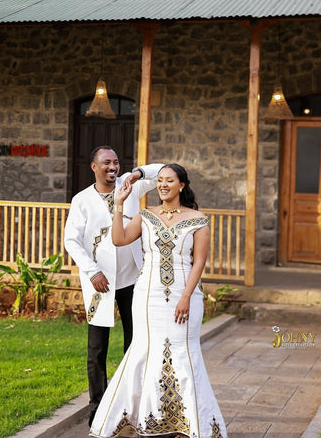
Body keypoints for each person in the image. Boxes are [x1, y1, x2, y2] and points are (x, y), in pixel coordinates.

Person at [90, 163, 227, 438]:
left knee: (184, 353)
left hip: (185, 294)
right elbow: (119, 239)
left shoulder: (199, 219)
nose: (163, 185)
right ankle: (148, 419)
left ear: (182, 185)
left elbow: (199, 262)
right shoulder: (146, 215)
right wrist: (119, 203)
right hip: (147, 295)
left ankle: (189, 424)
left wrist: (186, 296)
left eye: (169, 180)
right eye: (160, 180)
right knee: (145, 351)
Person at [64, 146, 163, 426]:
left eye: (116, 162)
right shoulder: (82, 200)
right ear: (93, 166)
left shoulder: (130, 185)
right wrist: (92, 270)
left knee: (136, 344)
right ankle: (98, 409)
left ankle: (133, 405)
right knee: (97, 350)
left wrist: (138, 172)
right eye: (106, 162)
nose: (112, 167)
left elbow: (167, 171)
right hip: (101, 284)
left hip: (133, 280)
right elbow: (71, 240)